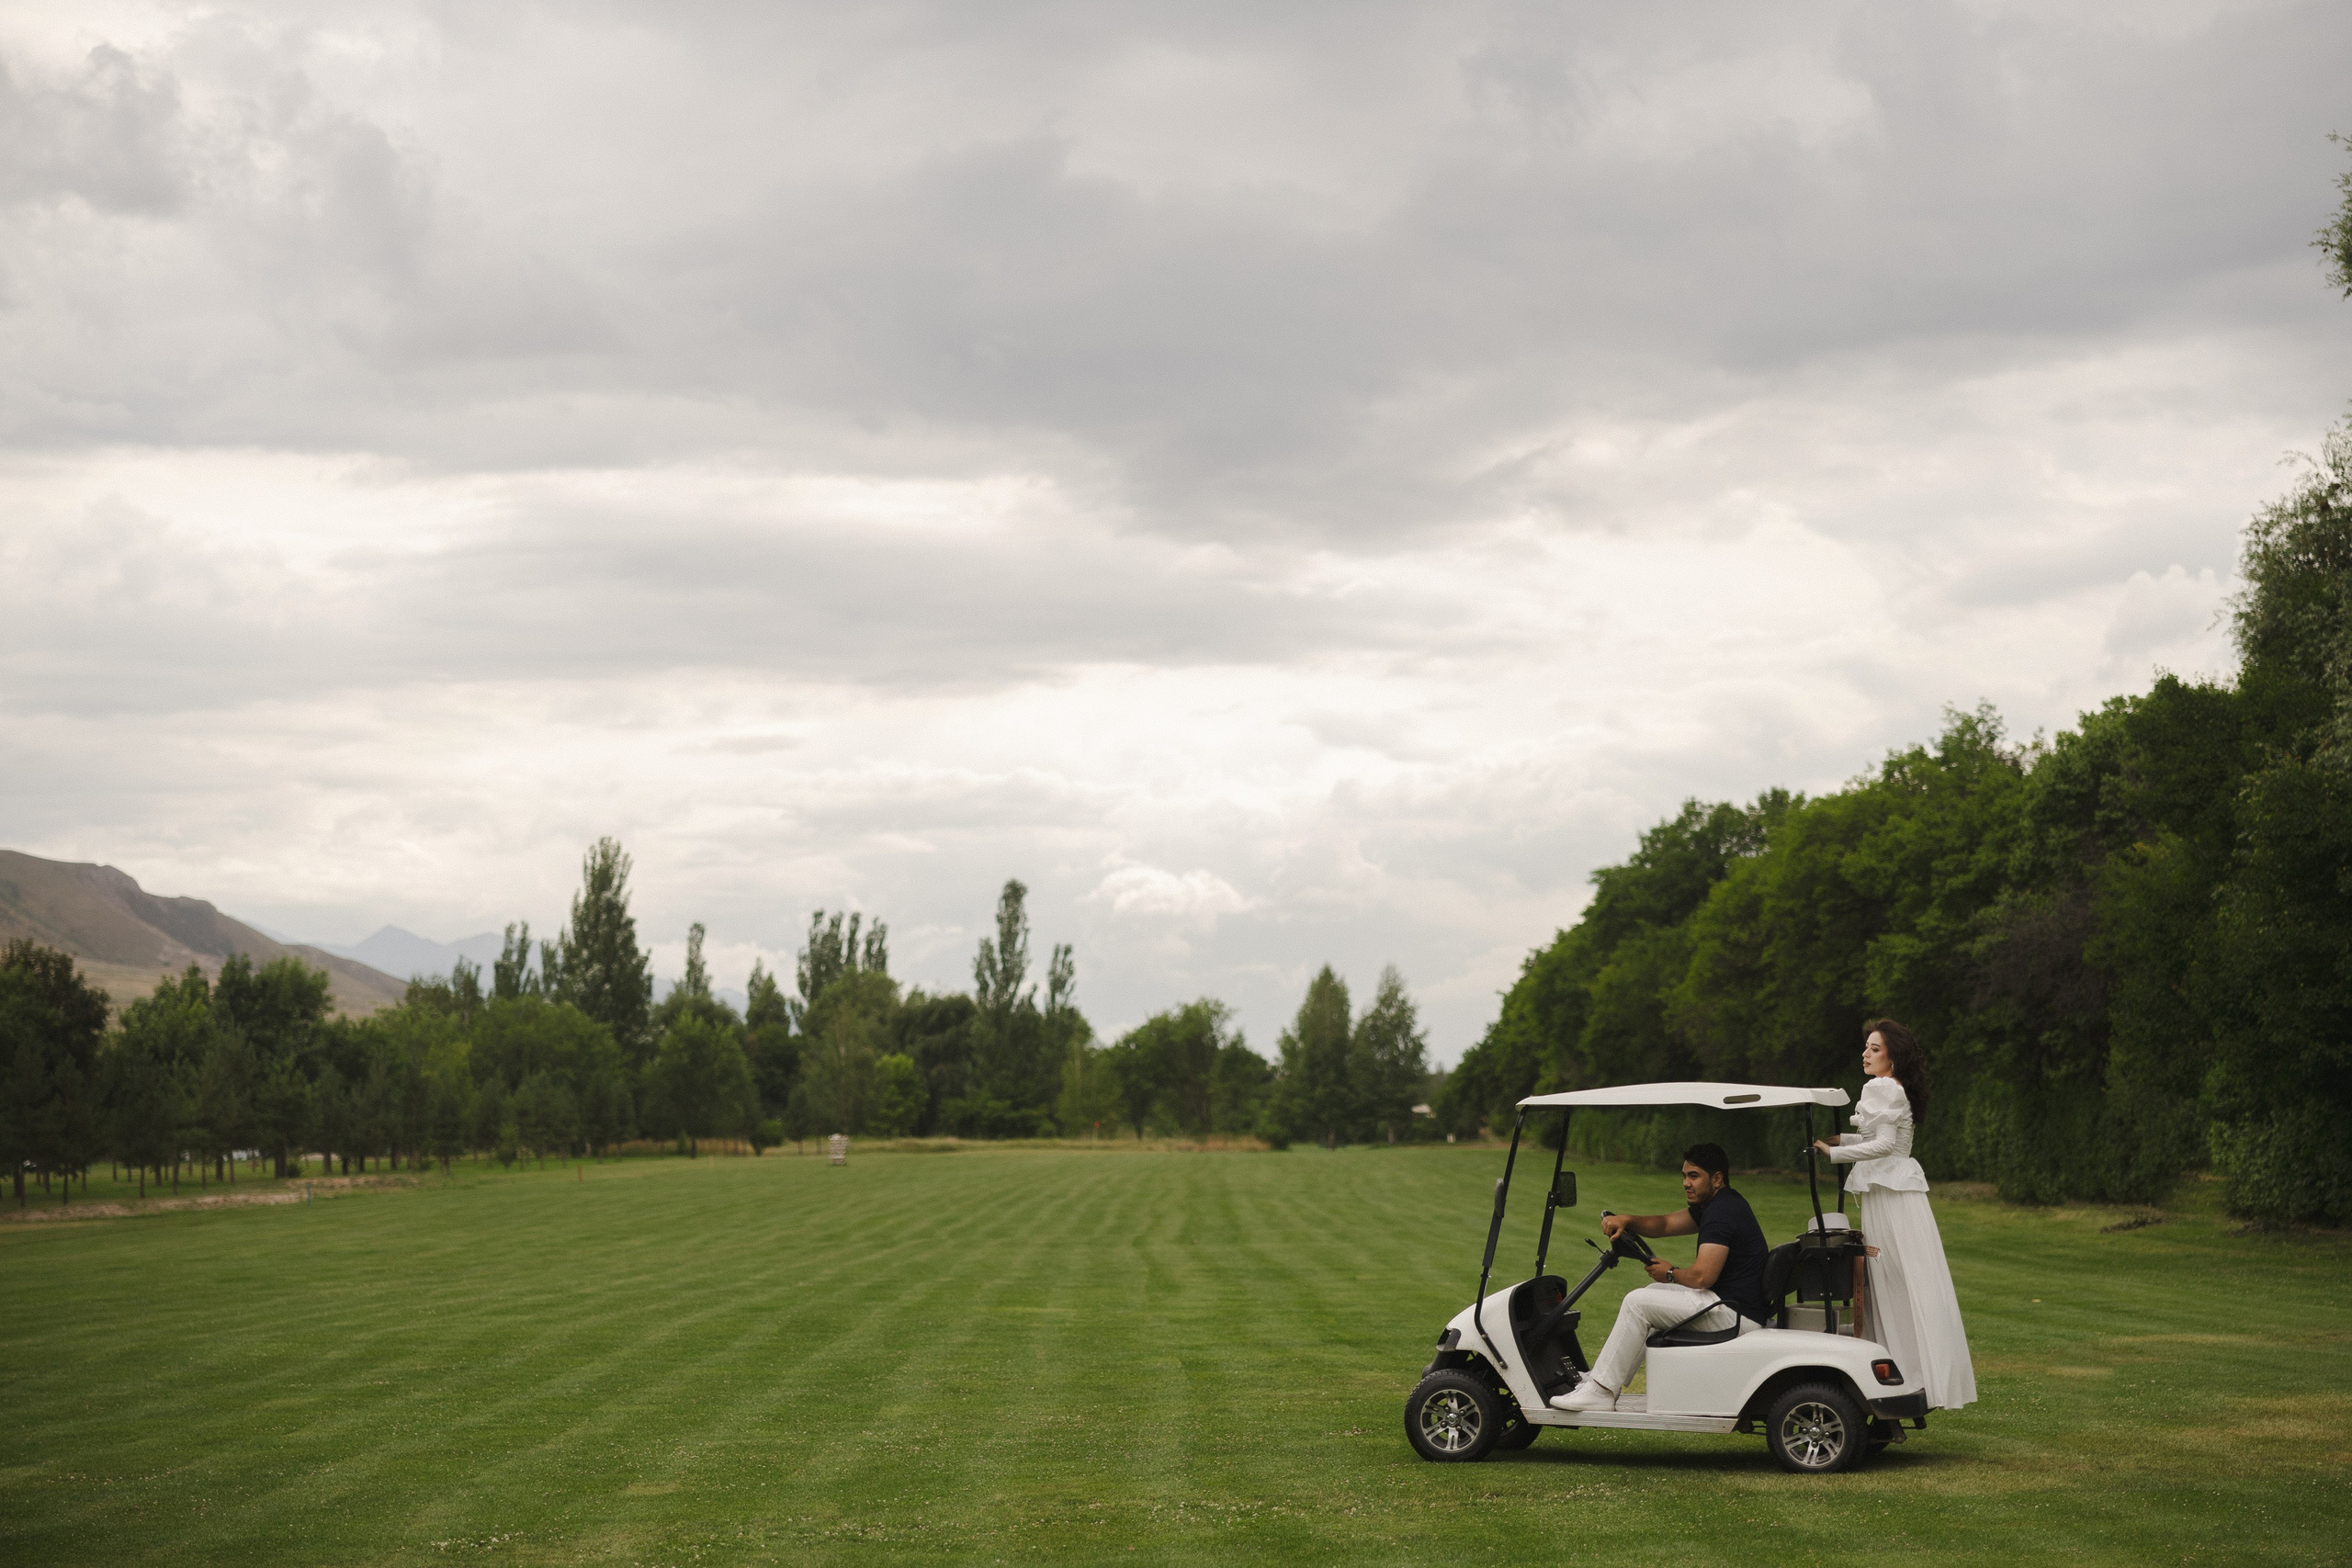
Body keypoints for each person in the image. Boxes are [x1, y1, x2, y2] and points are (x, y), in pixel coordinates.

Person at [1812, 1018, 1977, 1409]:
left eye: (1875, 1049)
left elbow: (1884, 1146)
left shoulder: (1882, 1087)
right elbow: (1882, 1140)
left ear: (1892, 1057)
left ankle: (1908, 1370)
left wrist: (1834, 1153)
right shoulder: (1895, 1089)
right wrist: (1845, 1139)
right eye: (1866, 1047)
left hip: (1891, 1196)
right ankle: (1915, 1368)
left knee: (1892, 1276)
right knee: (1906, 1277)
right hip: (1895, 1193)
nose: (1865, 1055)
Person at [1551, 1143, 1769, 1413]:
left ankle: (1602, 1391)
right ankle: (1601, 1379)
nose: (1686, 1183)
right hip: (1731, 1305)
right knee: (1653, 1293)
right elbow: (1665, 1224)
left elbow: (1702, 1277)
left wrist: (1670, 1272)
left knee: (1637, 1302)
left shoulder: (1722, 1214)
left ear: (1717, 1179)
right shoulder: (1718, 1204)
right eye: (1684, 1176)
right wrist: (1627, 1220)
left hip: (1734, 1314)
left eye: (1694, 1176)